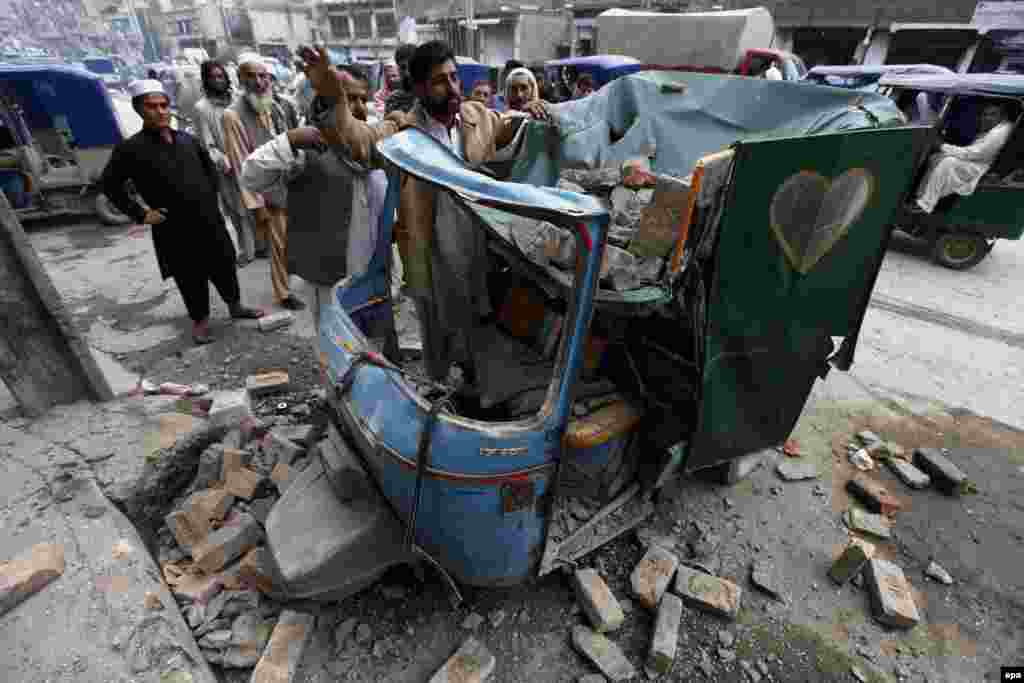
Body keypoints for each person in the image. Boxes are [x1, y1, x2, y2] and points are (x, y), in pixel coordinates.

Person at [298, 41, 554, 382]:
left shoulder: (476, 116)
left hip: (480, 249)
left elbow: (508, 127)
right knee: (439, 343)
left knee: (482, 333)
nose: (452, 88)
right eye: (439, 81)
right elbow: (360, 141)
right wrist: (332, 97)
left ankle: (478, 392)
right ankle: (440, 391)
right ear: (418, 88)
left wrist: (533, 110)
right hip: (431, 256)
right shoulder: (402, 131)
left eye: (454, 78)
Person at [99, 80, 262, 345]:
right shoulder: (130, 149)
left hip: (209, 221)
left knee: (224, 265)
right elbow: (109, 185)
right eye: (152, 106)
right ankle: (200, 322)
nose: (160, 111)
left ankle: (235, 306)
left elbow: (210, 172)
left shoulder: (188, 140)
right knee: (189, 276)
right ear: (139, 109)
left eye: (164, 105)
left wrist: (210, 200)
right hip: (173, 227)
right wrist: (142, 214)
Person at [241, 64, 388, 337]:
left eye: (362, 99)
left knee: (374, 343)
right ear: (325, 100)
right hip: (329, 279)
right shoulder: (309, 145)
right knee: (338, 347)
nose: (358, 107)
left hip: (373, 271)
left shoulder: (372, 144)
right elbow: (251, 176)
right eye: (348, 98)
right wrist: (290, 140)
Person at [222, 53, 306, 311]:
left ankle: (300, 275)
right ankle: (283, 292)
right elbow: (241, 164)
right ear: (241, 79)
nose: (259, 82)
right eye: (252, 76)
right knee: (278, 245)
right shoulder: (232, 115)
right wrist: (257, 207)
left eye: (263, 76)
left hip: (291, 183)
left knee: (297, 237)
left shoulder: (279, 105)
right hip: (267, 191)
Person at [194, 60, 258, 266]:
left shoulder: (239, 99)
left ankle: (262, 245)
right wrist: (223, 161)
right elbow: (207, 144)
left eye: (221, 76)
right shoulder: (202, 108)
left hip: (250, 159)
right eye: (213, 77)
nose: (218, 80)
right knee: (237, 209)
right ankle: (247, 251)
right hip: (228, 166)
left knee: (257, 203)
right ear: (206, 80)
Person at [914, 101, 1015, 214]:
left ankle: (927, 203)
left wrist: (942, 146)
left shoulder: (1001, 131)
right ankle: (920, 196)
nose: (987, 118)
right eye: (984, 115)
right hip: (976, 161)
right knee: (936, 157)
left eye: (992, 114)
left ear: (1002, 116)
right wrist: (943, 148)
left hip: (981, 167)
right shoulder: (994, 128)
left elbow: (975, 154)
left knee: (948, 162)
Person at [384, 43, 418, 115]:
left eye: (411, 67)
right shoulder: (394, 99)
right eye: (403, 67)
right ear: (398, 69)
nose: (407, 72)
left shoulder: (429, 96)